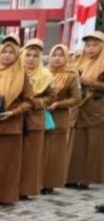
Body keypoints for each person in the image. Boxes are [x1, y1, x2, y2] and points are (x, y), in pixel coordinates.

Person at [0, 35, 34, 205]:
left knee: (8, 165)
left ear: (17, 54)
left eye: (12, 52)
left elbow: (29, 101)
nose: (7, 55)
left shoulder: (22, 74)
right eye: (4, 51)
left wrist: (14, 112)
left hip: (11, 126)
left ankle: (5, 196)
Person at [67, 31, 104, 189]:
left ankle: (87, 178)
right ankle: (72, 177)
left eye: (95, 45)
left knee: (92, 145)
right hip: (79, 108)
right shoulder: (79, 60)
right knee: (76, 144)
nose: (90, 49)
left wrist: (91, 83)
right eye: (88, 45)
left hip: (96, 109)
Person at [42, 45, 81, 194]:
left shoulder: (71, 75)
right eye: (54, 55)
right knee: (43, 150)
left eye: (61, 55)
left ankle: (50, 182)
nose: (57, 58)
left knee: (55, 152)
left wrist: (59, 104)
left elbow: (76, 99)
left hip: (59, 117)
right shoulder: (44, 73)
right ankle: (39, 180)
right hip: (44, 115)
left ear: (66, 58)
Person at [20, 39, 55, 200]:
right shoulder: (16, 72)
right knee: (16, 156)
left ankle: (26, 189)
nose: (31, 59)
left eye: (35, 55)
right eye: (28, 55)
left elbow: (51, 97)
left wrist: (37, 103)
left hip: (34, 119)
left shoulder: (46, 75)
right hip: (16, 118)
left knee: (31, 156)